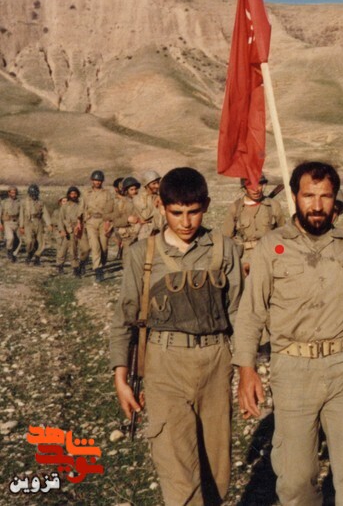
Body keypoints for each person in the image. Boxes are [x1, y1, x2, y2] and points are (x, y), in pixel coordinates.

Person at [234, 161, 343, 506]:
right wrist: (246, 369)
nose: (317, 205)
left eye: (325, 196)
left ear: (335, 200)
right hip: (293, 370)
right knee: (296, 480)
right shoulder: (272, 246)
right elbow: (251, 312)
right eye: (309, 196)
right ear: (294, 196)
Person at [110, 167, 243, 506]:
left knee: (217, 471)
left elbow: (239, 314)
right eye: (176, 213)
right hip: (164, 364)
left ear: (206, 205)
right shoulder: (142, 255)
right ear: (161, 206)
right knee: (178, 472)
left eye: (194, 212)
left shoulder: (225, 249)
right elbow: (125, 319)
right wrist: (121, 378)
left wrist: (247, 370)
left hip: (215, 362)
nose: (186, 222)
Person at [221, 174, 285, 276]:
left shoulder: (273, 206)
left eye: (259, 185)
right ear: (244, 188)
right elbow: (226, 238)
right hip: (244, 258)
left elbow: (283, 234)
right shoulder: (235, 208)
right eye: (251, 186)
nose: (256, 190)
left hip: (269, 255)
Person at [79, 170, 115, 282]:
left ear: (102, 181)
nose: (97, 182)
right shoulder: (86, 193)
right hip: (91, 221)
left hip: (103, 221)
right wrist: (79, 222)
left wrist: (109, 222)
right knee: (95, 246)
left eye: (99, 180)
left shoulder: (107, 193)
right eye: (95, 180)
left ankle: (101, 265)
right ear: (92, 180)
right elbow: (81, 208)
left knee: (104, 247)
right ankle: (98, 270)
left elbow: (111, 208)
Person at [55, 187, 89, 277]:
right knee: (73, 250)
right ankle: (75, 268)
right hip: (70, 230)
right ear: (69, 195)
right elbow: (60, 219)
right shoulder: (65, 206)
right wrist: (62, 230)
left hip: (81, 228)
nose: (73, 195)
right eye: (72, 194)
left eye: (75, 194)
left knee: (86, 249)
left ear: (78, 194)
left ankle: (82, 263)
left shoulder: (81, 205)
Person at [18, 184, 51, 266]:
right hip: (28, 222)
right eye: (32, 193)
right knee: (29, 241)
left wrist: (49, 224)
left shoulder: (40, 202)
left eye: (35, 193)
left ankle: (37, 257)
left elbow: (45, 213)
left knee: (40, 241)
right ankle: (30, 254)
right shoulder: (24, 202)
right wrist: (21, 226)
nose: (33, 195)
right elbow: (21, 214)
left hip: (38, 222)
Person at [111, 177, 143, 259]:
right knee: (128, 260)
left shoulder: (142, 201)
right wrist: (127, 220)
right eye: (132, 189)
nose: (135, 191)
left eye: (136, 189)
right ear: (126, 191)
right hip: (128, 236)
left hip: (141, 235)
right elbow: (115, 222)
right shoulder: (121, 204)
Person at [134, 170, 163, 238]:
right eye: (154, 183)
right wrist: (156, 204)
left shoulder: (159, 196)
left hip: (159, 232)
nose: (157, 186)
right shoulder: (138, 198)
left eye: (158, 183)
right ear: (146, 184)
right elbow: (145, 216)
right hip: (145, 233)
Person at [1, 185, 22, 262]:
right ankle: (9, 251)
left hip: (17, 222)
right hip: (7, 222)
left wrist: (22, 225)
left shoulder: (19, 202)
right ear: (9, 193)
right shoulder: (4, 202)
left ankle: (14, 254)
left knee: (18, 241)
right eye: (12, 192)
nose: (13, 194)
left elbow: (21, 214)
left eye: (15, 192)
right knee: (10, 238)